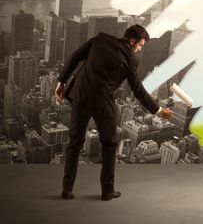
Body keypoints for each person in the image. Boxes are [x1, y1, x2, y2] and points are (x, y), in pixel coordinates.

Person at [55, 24, 172, 201]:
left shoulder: (100, 39)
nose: (139, 50)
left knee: (75, 142)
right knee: (109, 144)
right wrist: (158, 110)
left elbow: (75, 57)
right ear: (132, 41)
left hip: (81, 94)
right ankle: (107, 191)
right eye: (140, 46)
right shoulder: (132, 60)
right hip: (102, 102)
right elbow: (138, 90)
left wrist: (61, 82)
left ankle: (67, 190)